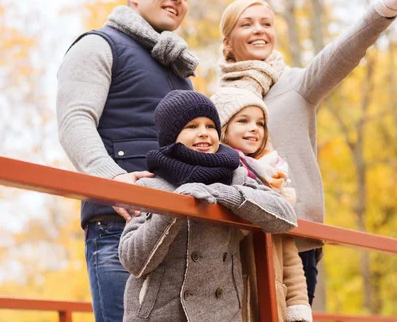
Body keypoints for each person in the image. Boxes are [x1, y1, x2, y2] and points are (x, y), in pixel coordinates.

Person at [216, 0, 397, 304]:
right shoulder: (215, 103)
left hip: (295, 239)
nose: (259, 30)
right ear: (227, 42)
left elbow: (343, 52)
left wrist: (384, 7)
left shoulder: (297, 85)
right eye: (247, 23)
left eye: (266, 23)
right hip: (234, 240)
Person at [56, 0, 197, 321]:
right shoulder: (98, 45)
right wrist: (113, 178)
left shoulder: (180, 73)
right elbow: (75, 120)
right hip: (120, 226)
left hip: (178, 227)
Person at [118, 90, 298, 322]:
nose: (204, 133)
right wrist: (176, 207)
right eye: (191, 126)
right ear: (171, 135)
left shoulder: (236, 177)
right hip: (161, 314)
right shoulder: (149, 185)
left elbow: (285, 216)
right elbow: (134, 261)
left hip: (223, 313)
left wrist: (225, 194)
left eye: (210, 126)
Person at [212, 87, 313, 322]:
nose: (254, 128)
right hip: (231, 297)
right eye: (243, 120)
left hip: (270, 296)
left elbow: (288, 252)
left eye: (260, 123)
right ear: (223, 128)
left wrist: (297, 304)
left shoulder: (275, 180)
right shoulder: (216, 175)